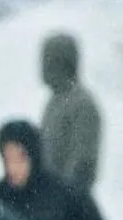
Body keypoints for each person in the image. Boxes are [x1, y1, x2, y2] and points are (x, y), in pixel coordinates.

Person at [39, 32, 101, 193]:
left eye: (50, 60)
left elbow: (84, 163)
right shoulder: (55, 101)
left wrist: (66, 198)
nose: (44, 67)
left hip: (67, 200)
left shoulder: (82, 104)